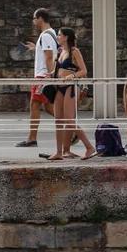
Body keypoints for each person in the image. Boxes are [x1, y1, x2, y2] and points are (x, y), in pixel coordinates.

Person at [48, 28, 97, 161]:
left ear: (66, 37)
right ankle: (59, 152)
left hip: (70, 87)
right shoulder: (59, 51)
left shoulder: (74, 51)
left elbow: (84, 70)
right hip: (59, 87)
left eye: (59, 35)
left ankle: (89, 147)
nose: (57, 37)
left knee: (69, 120)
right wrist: (50, 74)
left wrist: (72, 76)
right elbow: (56, 70)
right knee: (58, 120)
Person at [16, 8, 58, 147]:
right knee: (48, 107)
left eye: (34, 18)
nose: (33, 21)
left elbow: (49, 56)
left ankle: (32, 138)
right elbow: (49, 52)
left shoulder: (45, 35)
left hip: (42, 76)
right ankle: (72, 127)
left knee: (34, 104)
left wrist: (50, 75)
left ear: (40, 18)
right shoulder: (52, 34)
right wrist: (36, 48)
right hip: (46, 75)